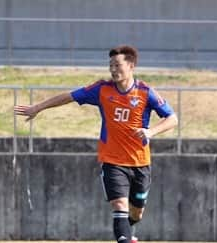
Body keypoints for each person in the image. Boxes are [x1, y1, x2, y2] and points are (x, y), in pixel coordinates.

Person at [14, 45, 178, 243]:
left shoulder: (146, 92)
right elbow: (70, 96)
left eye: (118, 65)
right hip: (112, 161)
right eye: (110, 65)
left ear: (131, 65)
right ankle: (125, 240)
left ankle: (128, 230)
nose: (113, 69)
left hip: (140, 163)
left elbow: (172, 118)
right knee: (119, 205)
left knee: (137, 213)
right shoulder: (102, 89)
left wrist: (151, 131)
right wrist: (38, 107)